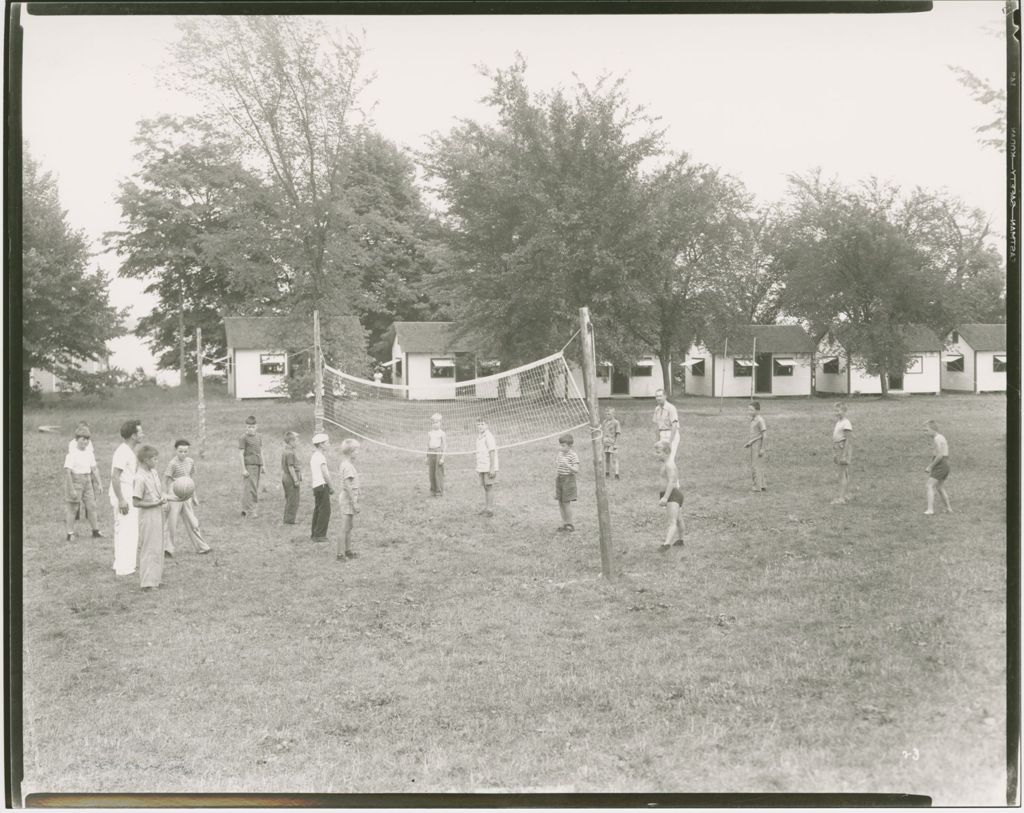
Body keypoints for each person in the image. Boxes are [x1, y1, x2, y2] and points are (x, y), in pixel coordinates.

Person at [163, 439, 211, 556]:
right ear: (176, 450)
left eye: (185, 451)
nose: (183, 454)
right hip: (174, 492)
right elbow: (166, 481)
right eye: (180, 451)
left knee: (192, 521)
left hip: (187, 492)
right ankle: (167, 549)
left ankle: (202, 547)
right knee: (171, 522)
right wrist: (165, 498)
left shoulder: (190, 461)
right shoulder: (172, 463)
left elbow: (190, 479)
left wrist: (194, 496)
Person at [109, 419, 143, 577]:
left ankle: (121, 563)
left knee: (125, 529)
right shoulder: (123, 452)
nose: (142, 434)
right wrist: (121, 499)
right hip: (123, 494)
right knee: (127, 530)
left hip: (127, 492)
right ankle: (124, 567)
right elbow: (115, 477)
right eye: (140, 432)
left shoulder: (129, 451)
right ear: (134, 436)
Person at [132, 444, 166, 592]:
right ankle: (147, 582)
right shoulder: (139, 478)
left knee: (158, 546)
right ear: (146, 460)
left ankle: (155, 579)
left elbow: (158, 492)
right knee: (149, 547)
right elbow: (136, 502)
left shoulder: (153, 473)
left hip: (158, 512)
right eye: (154, 459)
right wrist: (154, 503)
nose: (157, 462)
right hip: (148, 516)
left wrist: (163, 499)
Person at [63, 426, 103, 541]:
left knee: (92, 506)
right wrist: (72, 489)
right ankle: (70, 533)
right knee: (73, 508)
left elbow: (94, 469)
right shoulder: (71, 454)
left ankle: (95, 531)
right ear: (76, 440)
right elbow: (68, 472)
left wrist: (99, 483)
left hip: (88, 481)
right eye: (82, 439)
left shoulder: (89, 453)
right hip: (75, 480)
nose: (85, 441)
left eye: (87, 439)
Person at [654, 440, 685, 551]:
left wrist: (666, 497)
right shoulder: (666, 464)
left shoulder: (669, 465)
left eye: (658, 452)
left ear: (666, 452)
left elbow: (672, 481)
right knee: (678, 519)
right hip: (674, 494)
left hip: (672, 495)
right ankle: (681, 540)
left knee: (672, 521)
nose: (655, 454)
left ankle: (666, 544)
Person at [337, 439, 361, 560]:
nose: (358, 453)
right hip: (348, 499)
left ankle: (348, 550)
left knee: (349, 526)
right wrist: (354, 502)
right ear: (351, 452)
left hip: (349, 499)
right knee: (345, 527)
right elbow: (347, 486)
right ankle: (340, 554)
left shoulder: (348, 465)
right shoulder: (347, 466)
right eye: (357, 450)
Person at [923, 420, 953, 515]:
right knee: (939, 487)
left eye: (926, 430)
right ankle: (948, 508)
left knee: (929, 485)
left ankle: (930, 510)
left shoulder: (937, 438)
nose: (925, 433)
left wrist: (930, 466)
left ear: (933, 430)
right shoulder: (941, 437)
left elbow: (939, 455)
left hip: (941, 464)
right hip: (945, 463)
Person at [68, 420, 95, 523]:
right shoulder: (72, 443)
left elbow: (90, 454)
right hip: (77, 471)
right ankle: (76, 514)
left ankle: (89, 514)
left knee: (89, 494)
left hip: (87, 470)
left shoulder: (89, 443)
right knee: (77, 494)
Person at [309, 432, 334, 543]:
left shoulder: (314, 456)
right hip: (323, 486)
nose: (329, 444)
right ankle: (320, 535)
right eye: (327, 442)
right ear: (321, 445)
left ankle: (314, 533)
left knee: (318, 510)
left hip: (316, 486)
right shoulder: (321, 457)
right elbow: (325, 474)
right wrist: (331, 487)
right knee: (325, 511)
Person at [238, 415, 265, 518]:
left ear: (256, 427)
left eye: (252, 427)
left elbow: (261, 451)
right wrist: (243, 469)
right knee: (249, 488)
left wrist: (263, 465)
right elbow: (241, 453)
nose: (250, 429)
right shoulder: (243, 438)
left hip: (257, 465)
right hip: (249, 465)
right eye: (248, 427)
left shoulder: (259, 436)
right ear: (246, 427)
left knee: (254, 488)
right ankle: (249, 510)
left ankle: (246, 510)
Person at [555, 434, 580, 532]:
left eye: (563, 446)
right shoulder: (560, 454)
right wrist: (556, 478)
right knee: (560, 502)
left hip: (568, 480)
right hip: (560, 479)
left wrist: (568, 465)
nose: (561, 447)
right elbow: (557, 466)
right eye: (560, 445)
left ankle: (570, 524)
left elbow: (576, 470)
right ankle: (564, 523)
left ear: (570, 446)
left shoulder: (573, 455)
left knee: (566, 502)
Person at [743, 401, 769, 493]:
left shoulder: (760, 420)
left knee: (755, 466)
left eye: (751, 410)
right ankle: (762, 486)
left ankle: (756, 488)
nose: (749, 411)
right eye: (748, 409)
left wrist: (762, 448)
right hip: (754, 445)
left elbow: (764, 435)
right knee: (757, 466)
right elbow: (757, 435)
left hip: (758, 446)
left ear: (757, 411)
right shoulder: (753, 419)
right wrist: (750, 443)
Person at [475, 418, 499, 516]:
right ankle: (486, 507)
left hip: (489, 467)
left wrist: (492, 468)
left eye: (482, 424)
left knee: (489, 486)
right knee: (485, 487)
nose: (480, 426)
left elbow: (492, 451)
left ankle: (490, 510)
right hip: (482, 466)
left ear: (487, 425)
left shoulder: (489, 436)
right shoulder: (479, 437)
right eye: (478, 424)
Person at [831, 401, 853, 505]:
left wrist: (844, 454)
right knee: (845, 473)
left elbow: (848, 440)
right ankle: (845, 494)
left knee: (841, 474)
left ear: (844, 411)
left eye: (839, 410)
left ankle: (841, 498)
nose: (837, 413)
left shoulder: (846, 423)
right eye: (835, 410)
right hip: (838, 448)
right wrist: (835, 453)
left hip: (843, 448)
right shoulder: (838, 422)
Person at [281, 431, 302, 524]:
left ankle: (287, 518)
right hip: (290, 477)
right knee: (293, 499)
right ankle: (289, 520)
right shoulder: (290, 453)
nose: (298, 442)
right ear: (291, 441)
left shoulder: (287, 451)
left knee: (289, 498)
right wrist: (296, 480)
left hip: (286, 477)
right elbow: (291, 467)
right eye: (297, 440)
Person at [652, 388, 680, 459]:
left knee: (670, 459)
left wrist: (670, 442)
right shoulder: (657, 409)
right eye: (657, 396)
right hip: (662, 435)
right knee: (662, 459)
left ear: (665, 396)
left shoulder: (671, 408)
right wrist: (657, 440)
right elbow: (656, 426)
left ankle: (672, 470)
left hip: (670, 434)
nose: (658, 398)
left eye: (660, 396)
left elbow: (674, 426)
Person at [426, 413, 447, 497]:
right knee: (431, 473)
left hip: (438, 452)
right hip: (431, 452)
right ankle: (433, 489)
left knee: (438, 472)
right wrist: (426, 457)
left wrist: (442, 458)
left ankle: (439, 490)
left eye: (437, 422)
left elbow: (444, 446)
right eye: (434, 422)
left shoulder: (442, 433)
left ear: (440, 423)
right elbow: (427, 445)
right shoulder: (430, 433)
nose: (435, 424)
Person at [602, 407, 622, 479]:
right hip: (606, 442)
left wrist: (616, 444)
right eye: (606, 414)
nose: (607, 416)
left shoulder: (616, 422)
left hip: (613, 443)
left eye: (609, 414)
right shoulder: (604, 422)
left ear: (613, 414)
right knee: (607, 458)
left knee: (615, 459)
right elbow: (603, 432)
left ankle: (616, 474)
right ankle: (607, 472)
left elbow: (618, 433)